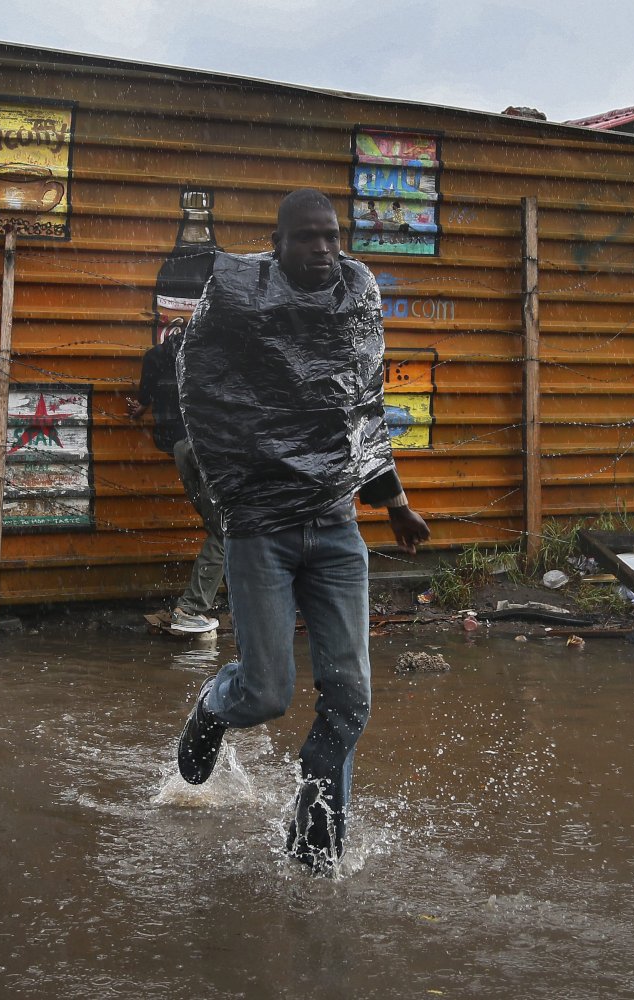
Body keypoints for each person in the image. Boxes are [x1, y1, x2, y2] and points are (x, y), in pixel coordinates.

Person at [175, 189, 429, 875]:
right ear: (277, 242)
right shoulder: (238, 305)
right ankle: (211, 709)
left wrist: (395, 501)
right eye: (308, 238)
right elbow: (202, 398)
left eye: (333, 236)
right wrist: (231, 495)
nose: (324, 249)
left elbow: (360, 406)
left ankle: (316, 835)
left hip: (337, 526)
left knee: (349, 696)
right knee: (266, 694)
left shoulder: (353, 298)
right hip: (261, 527)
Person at [128, 328, 224, 632]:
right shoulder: (218, 356)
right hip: (209, 451)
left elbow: (144, 401)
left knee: (219, 527)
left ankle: (233, 599)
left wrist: (141, 406)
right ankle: (191, 608)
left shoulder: (160, 356)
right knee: (225, 532)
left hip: (183, 449)